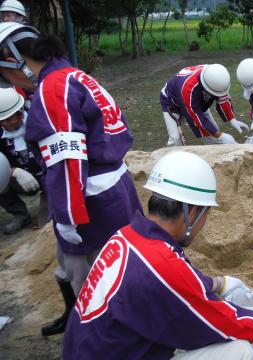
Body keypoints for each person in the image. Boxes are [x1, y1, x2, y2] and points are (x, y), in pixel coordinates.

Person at [63, 151, 253, 359]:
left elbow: (176, 284)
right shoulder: (161, 264)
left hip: (92, 349)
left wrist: (217, 284)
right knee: (239, 349)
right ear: (191, 212)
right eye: (206, 213)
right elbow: (221, 323)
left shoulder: (127, 235)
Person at [0, 23, 142, 336]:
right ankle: (79, 319)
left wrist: (66, 216)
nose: (10, 81)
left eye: (5, 73)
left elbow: (68, 159)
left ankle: (105, 340)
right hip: (112, 184)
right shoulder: (75, 76)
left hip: (89, 198)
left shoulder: (52, 89)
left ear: (17, 61)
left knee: (94, 279)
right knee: (78, 266)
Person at [160, 64, 246, 146]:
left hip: (198, 100)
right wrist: (220, 136)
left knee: (213, 132)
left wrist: (232, 119)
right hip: (172, 101)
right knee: (175, 139)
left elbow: (223, 98)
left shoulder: (216, 75)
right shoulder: (188, 89)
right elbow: (196, 117)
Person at [0, 86, 41, 234]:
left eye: (9, 118)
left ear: (20, 114)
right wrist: (14, 171)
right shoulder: (1, 134)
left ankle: (52, 201)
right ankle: (20, 215)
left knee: (48, 222)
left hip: (48, 176)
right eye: (1, 120)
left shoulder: (38, 124)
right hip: (19, 179)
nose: (5, 124)